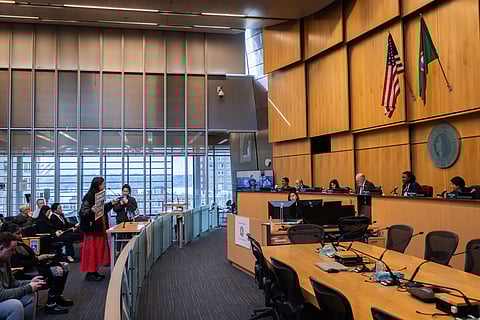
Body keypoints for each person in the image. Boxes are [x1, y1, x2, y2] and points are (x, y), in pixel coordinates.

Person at [8, 224, 72, 314]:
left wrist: (40, 258)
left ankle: (57, 295)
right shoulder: (10, 248)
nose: (21, 235)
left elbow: (31, 257)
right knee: (57, 270)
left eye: (20, 233)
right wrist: (38, 259)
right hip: (23, 270)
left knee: (64, 265)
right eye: (17, 233)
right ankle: (51, 303)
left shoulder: (20, 243)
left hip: (33, 265)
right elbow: (18, 263)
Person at [80, 177, 119, 281]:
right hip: (92, 230)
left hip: (98, 228)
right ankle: (91, 272)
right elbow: (83, 212)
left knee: (97, 249)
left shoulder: (97, 196)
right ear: (97, 185)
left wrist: (111, 204)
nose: (104, 186)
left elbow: (101, 210)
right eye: (102, 184)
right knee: (92, 250)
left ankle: (94, 271)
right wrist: (91, 210)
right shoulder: (89, 197)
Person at [0, 232, 43, 320]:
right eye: (12, 250)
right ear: (1, 249)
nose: (14, 253)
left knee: (30, 296)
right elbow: (1, 295)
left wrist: (30, 282)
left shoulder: (5, 260)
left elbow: (11, 282)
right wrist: (28, 287)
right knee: (15, 306)